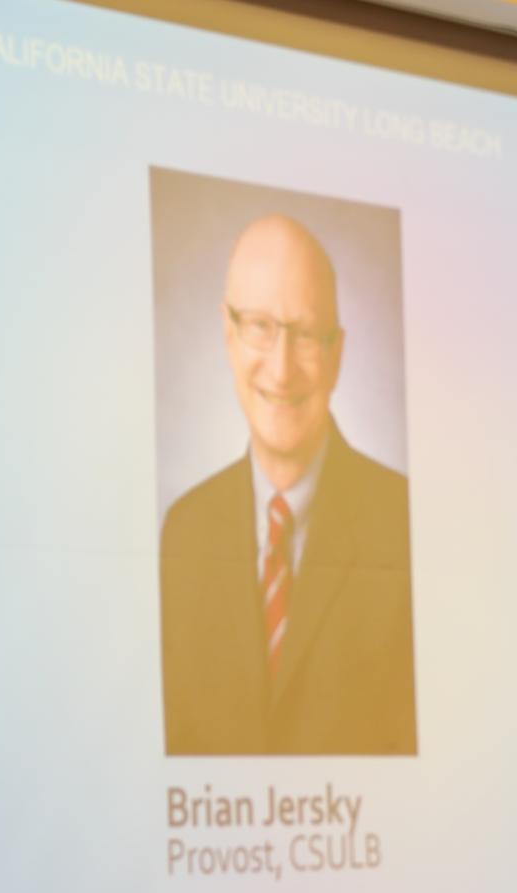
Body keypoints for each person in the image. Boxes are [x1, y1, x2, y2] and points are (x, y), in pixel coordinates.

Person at [159, 214, 416, 756]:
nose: (280, 370)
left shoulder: (407, 526)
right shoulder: (183, 535)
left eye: (303, 335)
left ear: (338, 354)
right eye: (259, 326)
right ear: (228, 335)